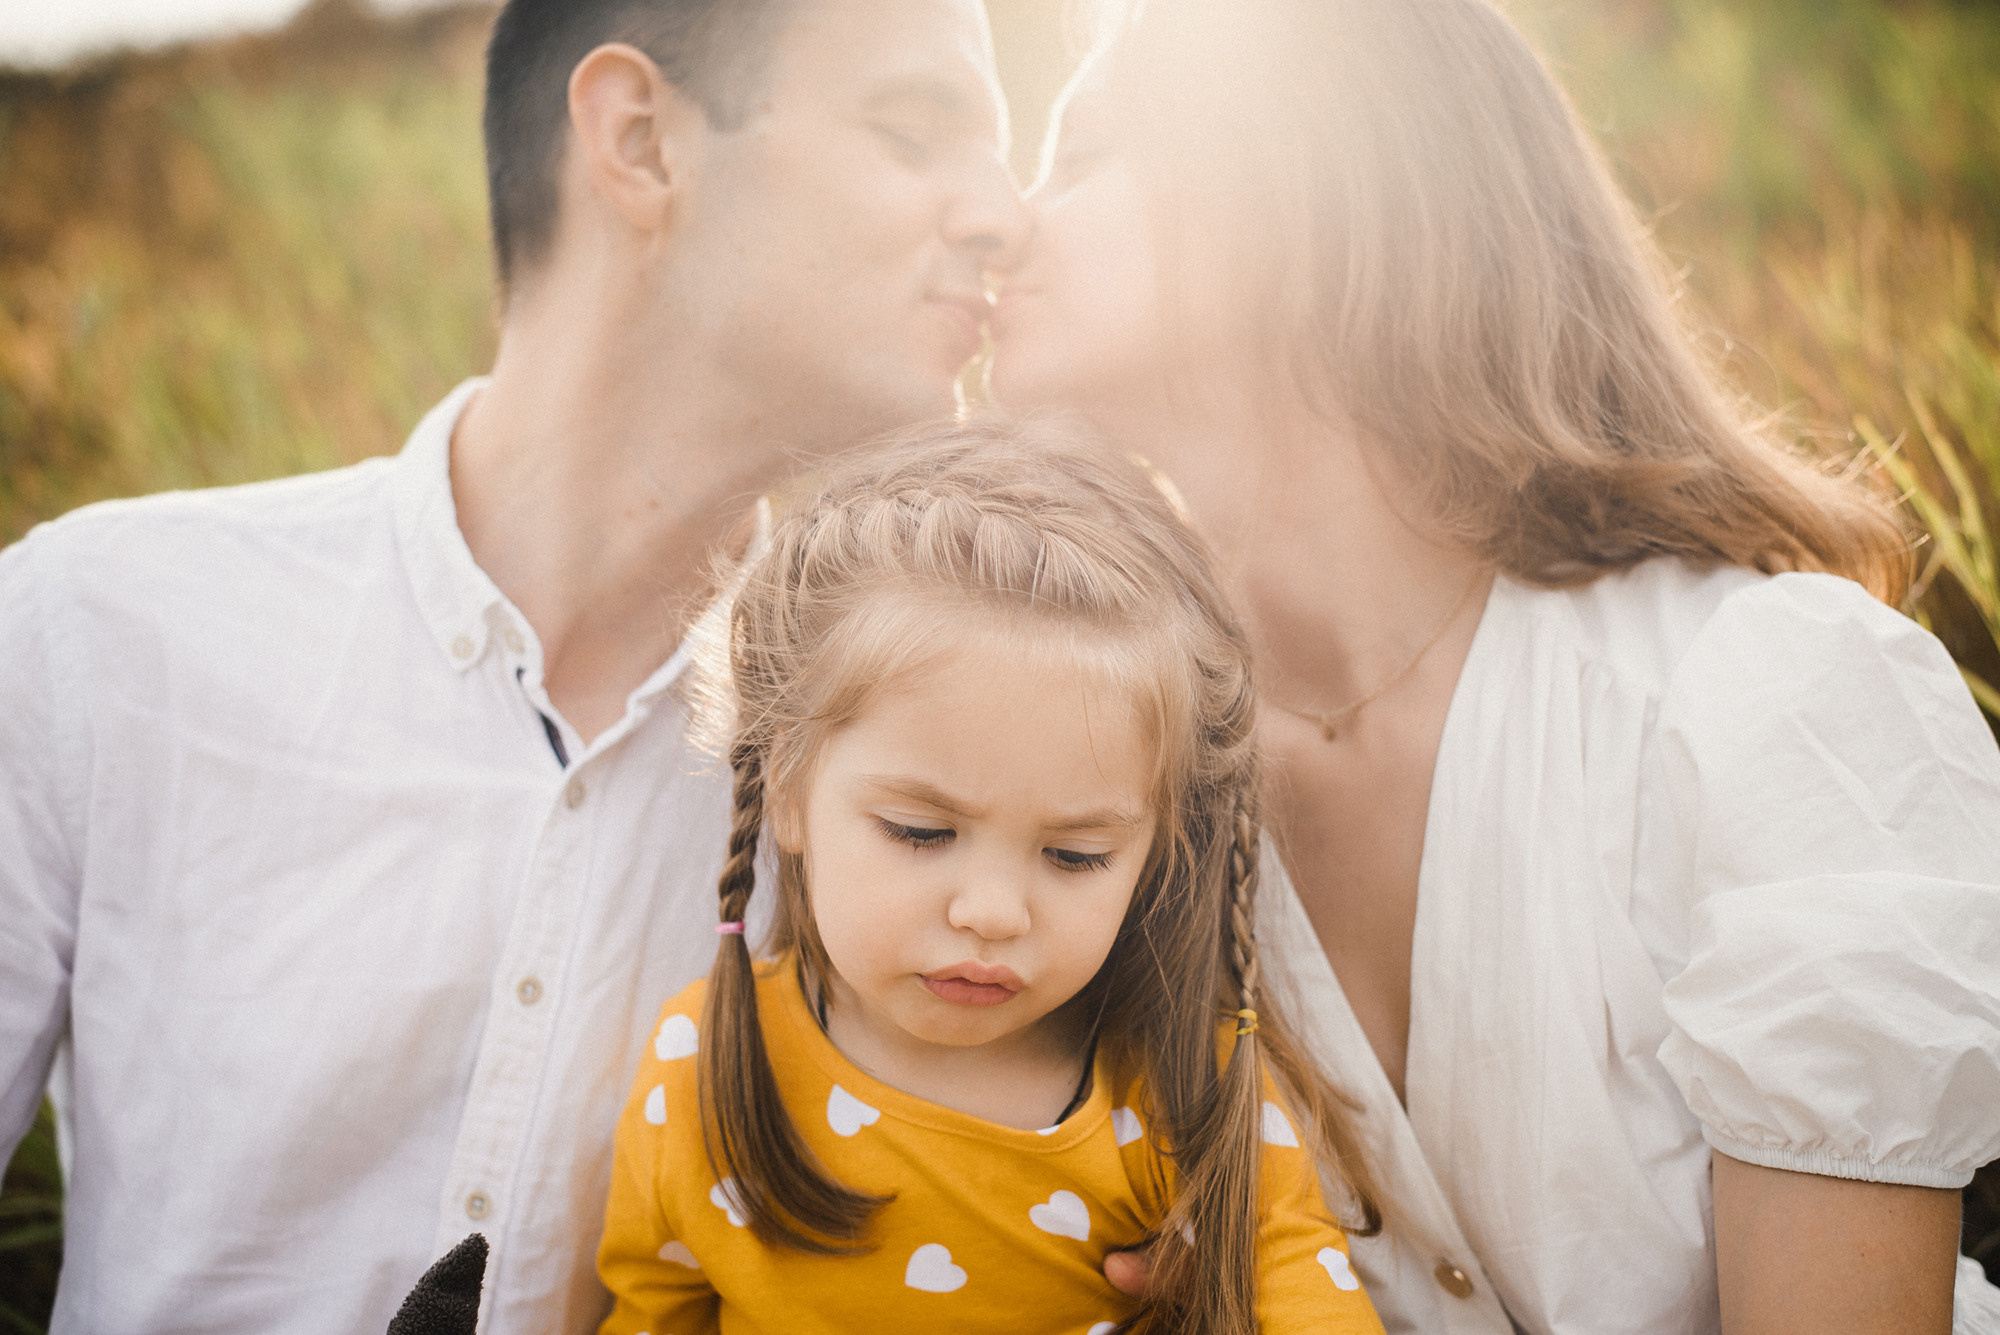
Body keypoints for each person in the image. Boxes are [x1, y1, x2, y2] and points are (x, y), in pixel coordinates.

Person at [0, 0, 1028, 1329]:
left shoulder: (918, 793)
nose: (1010, 211)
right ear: (641, 140)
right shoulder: (101, 633)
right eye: (913, 128)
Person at [987, 1, 2000, 1332]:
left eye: (1084, 155)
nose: (1007, 221)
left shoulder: (1763, 697)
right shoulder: (1106, 774)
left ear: (1302, 191)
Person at [594, 425, 1383, 1335]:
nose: (993, 913)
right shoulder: (704, 1068)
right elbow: (652, 1311)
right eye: (921, 832)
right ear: (790, 789)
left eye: (1076, 856)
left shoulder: (1179, 1093)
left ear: (1157, 847)